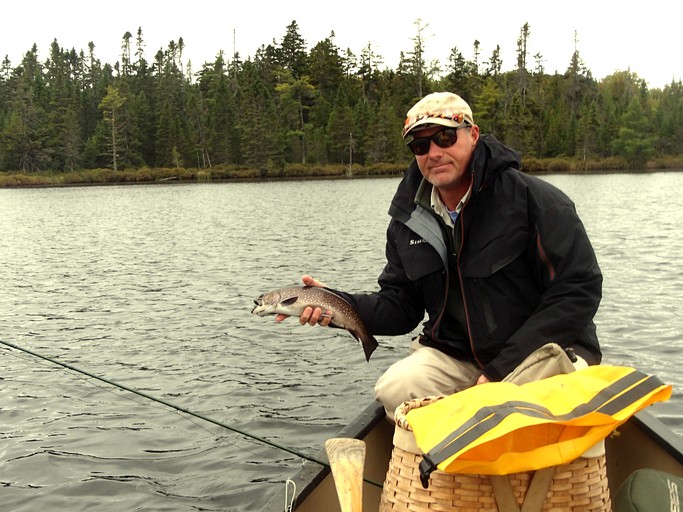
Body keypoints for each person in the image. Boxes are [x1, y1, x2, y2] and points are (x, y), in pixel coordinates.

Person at [277, 91, 603, 418]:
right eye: (420, 145)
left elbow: (578, 291)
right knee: (394, 390)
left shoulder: (537, 202)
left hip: (544, 349)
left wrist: (499, 371)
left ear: (473, 135)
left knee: (504, 413)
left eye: (445, 137)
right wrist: (333, 302)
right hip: (458, 355)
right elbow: (401, 307)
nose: (434, 152)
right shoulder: (407, 221)